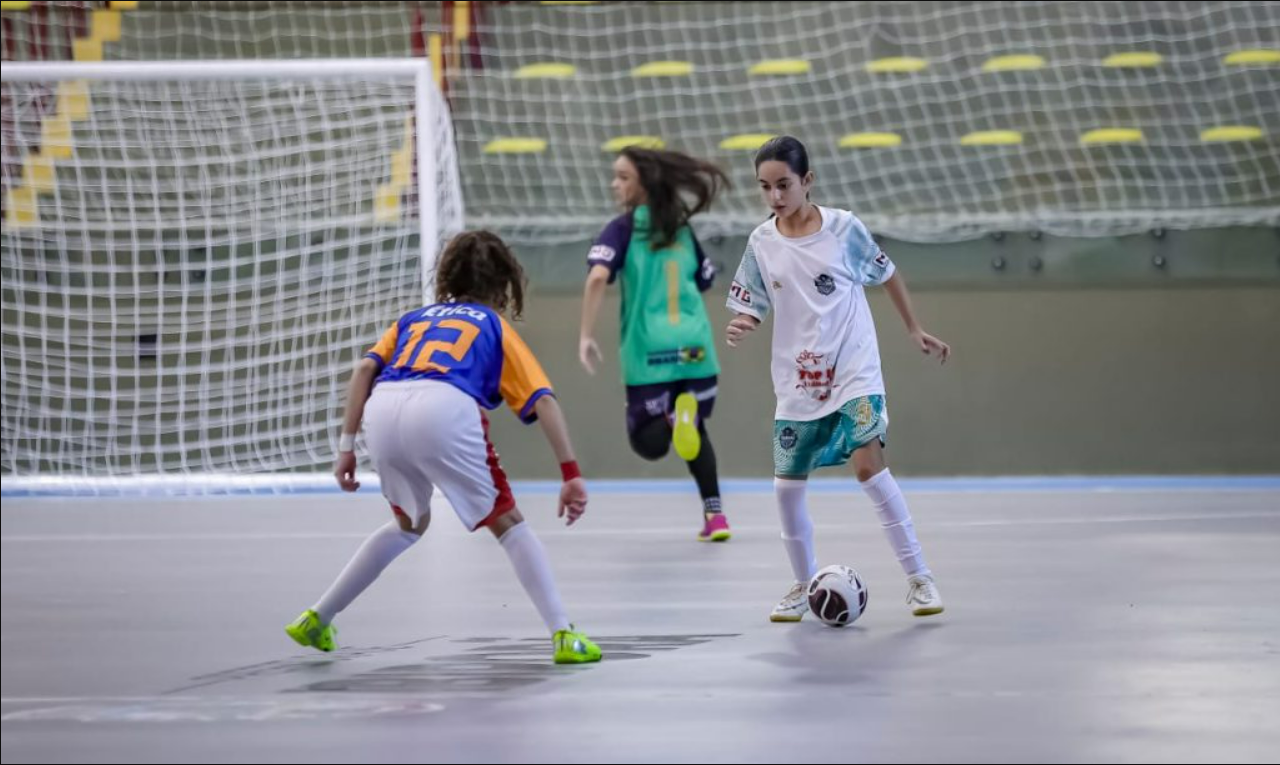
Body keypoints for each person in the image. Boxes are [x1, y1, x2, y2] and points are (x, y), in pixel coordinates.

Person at [286, 230, 602, 664]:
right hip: (443, 406)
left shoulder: (413, 319)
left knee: (408, 524)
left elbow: (364, 370)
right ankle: (565, 635)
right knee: (508, 522)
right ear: (502, 284)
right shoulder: (493, 324)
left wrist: (345, 447)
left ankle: (317, 617)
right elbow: (542, 400)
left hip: (384, 409)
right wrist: (570, 474)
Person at [724, 136, 950, 621]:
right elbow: (752, 304)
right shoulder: (760, 243)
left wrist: (914, 328)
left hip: (853, 368)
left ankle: (920, 578)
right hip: (797, 378)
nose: (775, 197)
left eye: (784, 185)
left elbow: (887, 273)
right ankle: (803, 585)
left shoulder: (844, 229)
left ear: (807, 181)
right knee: (787, 488)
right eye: (764, 188)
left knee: (868, 466)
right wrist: (746, 322)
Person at [578, 146, 732, 542]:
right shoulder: (681, 229)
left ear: (644, 183)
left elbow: (597, 278)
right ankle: (715, 516)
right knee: (696, 429)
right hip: (695, 345)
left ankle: (670, 418)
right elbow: (705, 278)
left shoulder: (623, 228)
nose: (615, 184)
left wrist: (585, 335)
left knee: (647, 442)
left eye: (623, 177)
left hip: (650, 351)